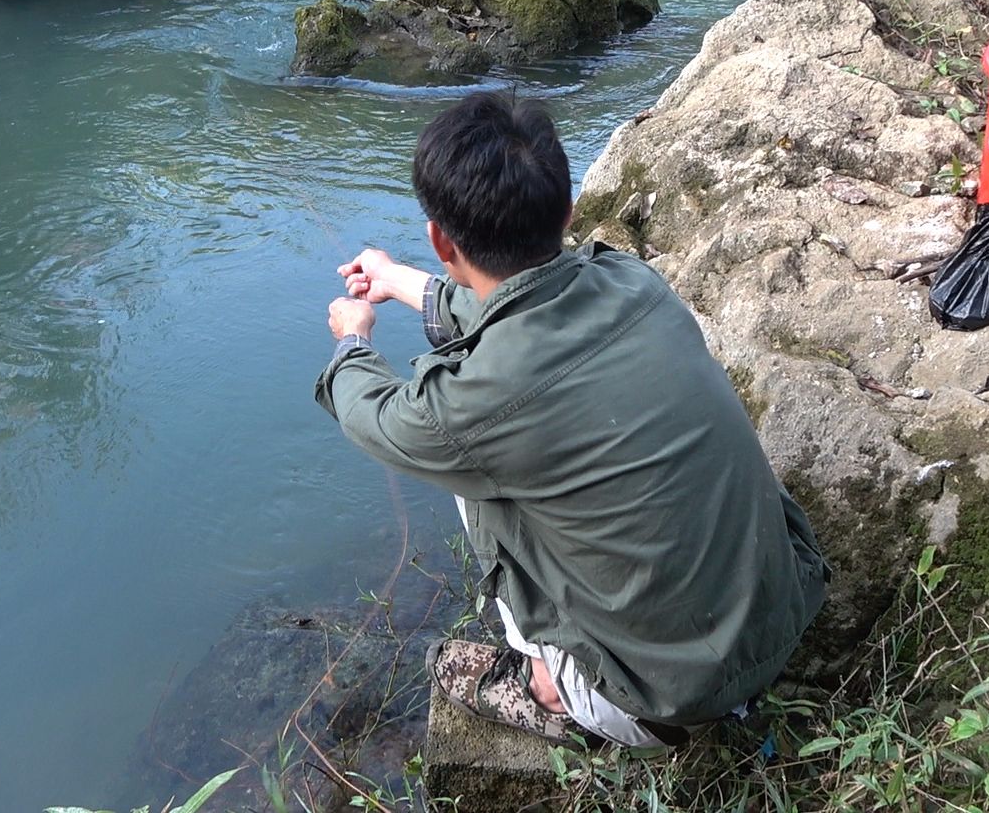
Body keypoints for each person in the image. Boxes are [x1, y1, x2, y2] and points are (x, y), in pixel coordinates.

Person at [314, 91, 828, 748]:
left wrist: (353, 340)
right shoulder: (635, 284)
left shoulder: (473, 408)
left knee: (475, 485)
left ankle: (550, 685)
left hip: (668, 700)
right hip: (785, 616)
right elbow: (522, 306)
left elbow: (376, 416)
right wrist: (398, 280)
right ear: (568, 209)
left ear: (442, 238)